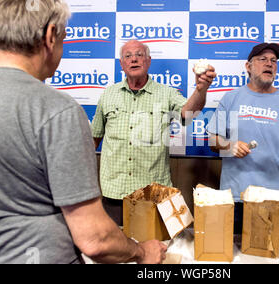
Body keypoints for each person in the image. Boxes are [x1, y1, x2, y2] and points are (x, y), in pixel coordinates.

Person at [0, 0, 166, 264]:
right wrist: (141, 251)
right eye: (64, 38)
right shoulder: (57, 110)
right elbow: (95, 240)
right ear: (49, 36)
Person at [91, 40, 216, 225]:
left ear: (148, 61)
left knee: (154, 249)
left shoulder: (166, 93)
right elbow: (94, 138)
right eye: (128, 56)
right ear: (121, 64)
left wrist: (201, 89)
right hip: (114, 193)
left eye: (139, 55)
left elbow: (188, 114)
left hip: (153, 194)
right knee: (114, 249)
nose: (134, 59)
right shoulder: (108, 94)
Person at [207, 43, 279, 236]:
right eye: (263, 59)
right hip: (237, 195)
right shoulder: (231, 99)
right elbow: (213, 140)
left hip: (278, 196)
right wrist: (230, 146)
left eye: (273, 61)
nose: (269, 64)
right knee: (236, 253)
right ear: (248, 66)